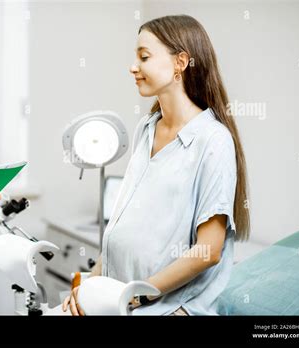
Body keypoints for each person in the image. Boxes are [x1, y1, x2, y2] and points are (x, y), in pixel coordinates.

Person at [63, 14, 250, 316]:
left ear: (180, 62)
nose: (133, 67)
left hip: (167, 307)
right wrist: (90, 286)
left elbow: (209, 251)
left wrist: (135, 296)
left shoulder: (213, 141)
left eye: (144, 57)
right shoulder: (146, 128)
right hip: (121, 298)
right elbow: (121, 227)